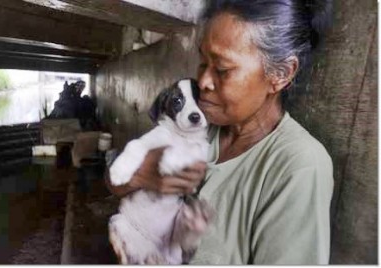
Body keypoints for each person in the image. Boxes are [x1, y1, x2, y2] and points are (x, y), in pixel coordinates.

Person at [106, 0, 334, 264]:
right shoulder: (199, 123)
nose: (202, 82)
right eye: (203, 62)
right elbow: (114, 181)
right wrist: (141, 175)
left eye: (222, 69)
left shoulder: (299, 165)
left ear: (281, 73)